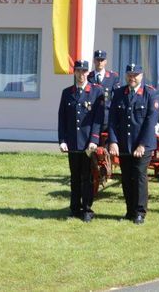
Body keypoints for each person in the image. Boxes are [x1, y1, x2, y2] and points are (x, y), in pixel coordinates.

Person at [108, 63, 159, 224]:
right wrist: (113, 141)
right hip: (124, 144)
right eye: (129, 75)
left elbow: (150, 122)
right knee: (126, 178)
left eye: (135, 75)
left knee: (139, 177)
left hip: (142, 145)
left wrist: (142, 145)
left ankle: (139, 212)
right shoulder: (118, 93)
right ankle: (129, 210)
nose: (132, 78)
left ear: (141, 76)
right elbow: (112, 120)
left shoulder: (150, 94)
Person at [58, 59, 106, 222]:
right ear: (75, 72)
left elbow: (98, 119)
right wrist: (62, 140)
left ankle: (87, 209)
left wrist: (94, 139)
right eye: (78, 71)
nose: (81, 74)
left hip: (88, 143)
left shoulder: (96, 91)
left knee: (87, 177)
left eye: (84, 71)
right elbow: (62, 119)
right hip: (72, 143)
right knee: (75, 177)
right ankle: (74, 209)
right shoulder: (67, 92)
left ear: (88, 73)